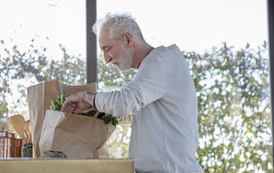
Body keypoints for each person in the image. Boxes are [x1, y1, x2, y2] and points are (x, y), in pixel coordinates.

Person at [61, 13, 202, 173]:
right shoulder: (153, 67)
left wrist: (86, 97)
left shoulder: (161, 61)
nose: (106, 59)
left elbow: (124, 102)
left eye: (108, 49)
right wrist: (93, 109)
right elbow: (132, 114)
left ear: (128, 39)